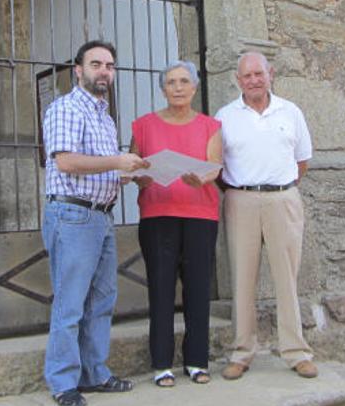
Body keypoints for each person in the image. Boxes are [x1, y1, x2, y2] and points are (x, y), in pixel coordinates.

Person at [42, 40, 149, 406]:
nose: (104, 71)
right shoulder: (66, 108)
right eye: (96, 64)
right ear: (78, 70)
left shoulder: (104, 116)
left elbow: (101, 168)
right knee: (70, 303)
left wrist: (128, 172)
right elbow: (68, 163)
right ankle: (62, 381)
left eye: (109, 65)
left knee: (102, 301)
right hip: (73, 216)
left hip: (101, 216)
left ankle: (94, 372)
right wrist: (117, 161)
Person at [216, 51, 318, 380]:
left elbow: (301, 161)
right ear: (238, 80)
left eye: (259, 73)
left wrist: (280, 188)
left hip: (282, 199)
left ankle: (296, 351)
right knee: (242, 278)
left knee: (286, 278)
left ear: (270, 73)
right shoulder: (225, 115)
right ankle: (242, 352)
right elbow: (217, 163)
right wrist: (241, 191)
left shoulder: (290, 111)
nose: (254, 80)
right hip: (241, 200)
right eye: (247, 76)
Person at [130, 60, 222, 388]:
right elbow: (135, 167)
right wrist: (140, 177)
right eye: (171, 82)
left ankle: (197, 361)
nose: (178, 87)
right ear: (163, 88)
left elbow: (215, 166)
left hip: (200, 214)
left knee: (197, 289)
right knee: (161, 288)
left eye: (184, 81)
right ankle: (161, 364)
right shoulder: (142, 126)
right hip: (157, 215)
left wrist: (202, 176)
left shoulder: (211, 126)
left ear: (195, 87)